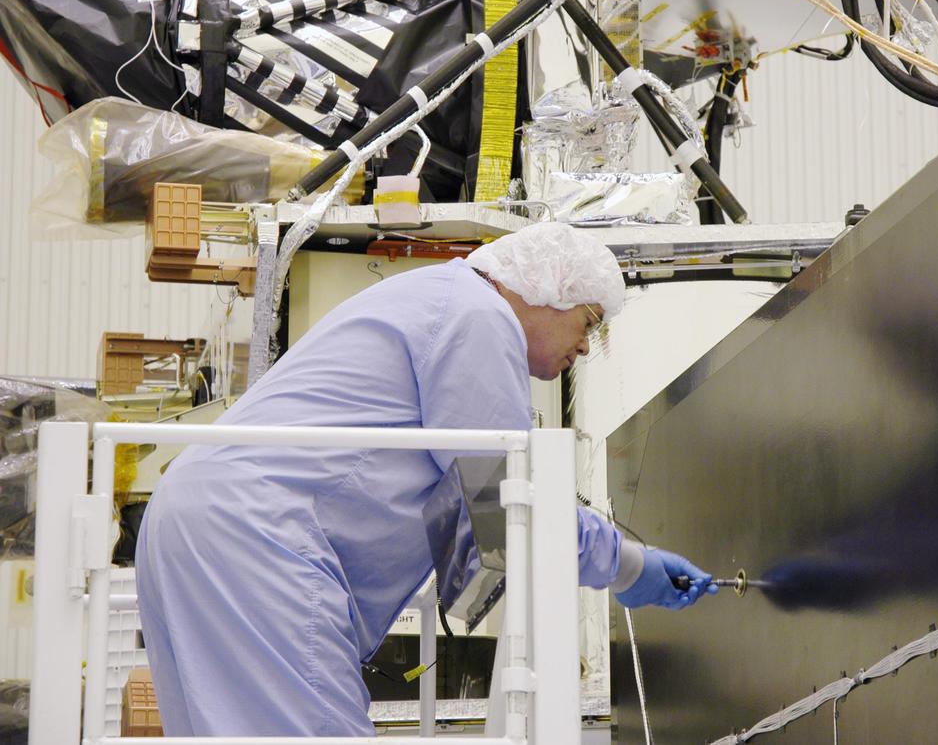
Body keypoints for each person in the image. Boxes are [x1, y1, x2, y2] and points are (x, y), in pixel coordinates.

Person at [135, 222, 716, 737]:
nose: (586, 346)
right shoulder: (478, 316)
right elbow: (514, 502)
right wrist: (627, 564)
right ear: (549, 290)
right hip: (257, 541)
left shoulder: (436, 298)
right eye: (588, 321)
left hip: (194, 522)